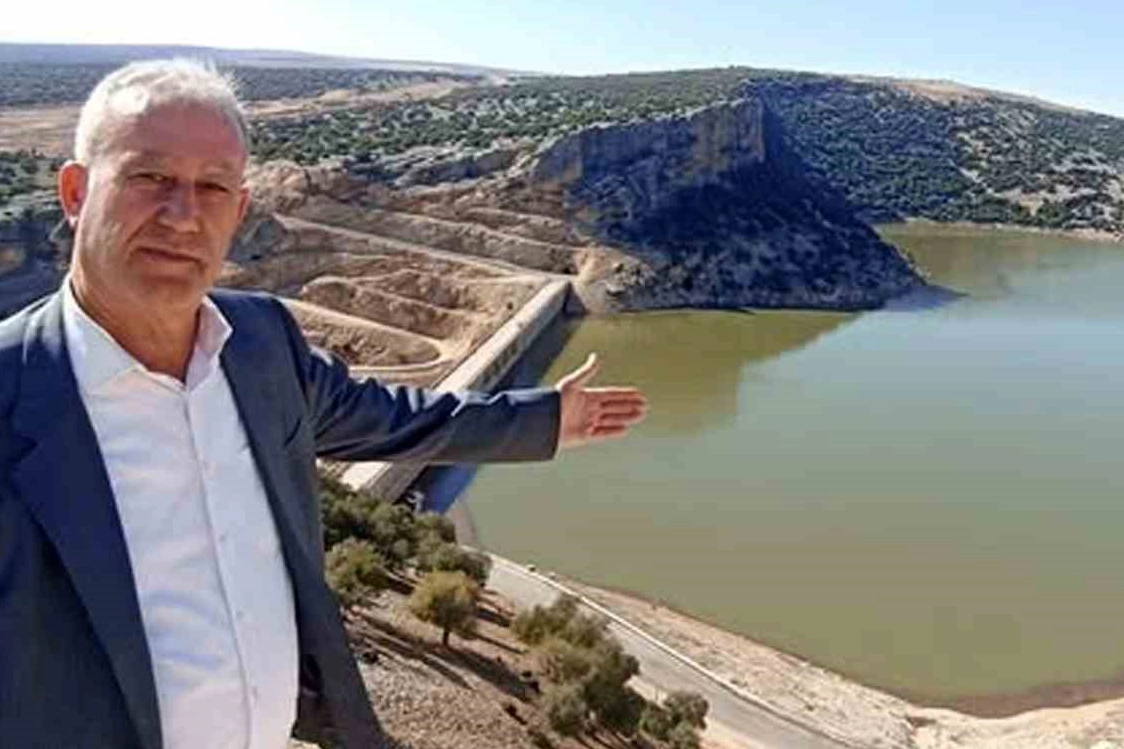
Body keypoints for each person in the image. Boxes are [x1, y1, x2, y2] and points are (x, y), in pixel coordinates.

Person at [0, 59, 648, 749]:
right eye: (149, 177)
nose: (182, 215)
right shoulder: (15, 390)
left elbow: (395, 419)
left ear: (239, 212)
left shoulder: (261, 341)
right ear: (76, 193)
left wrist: (543, 419)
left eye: (212, 187)